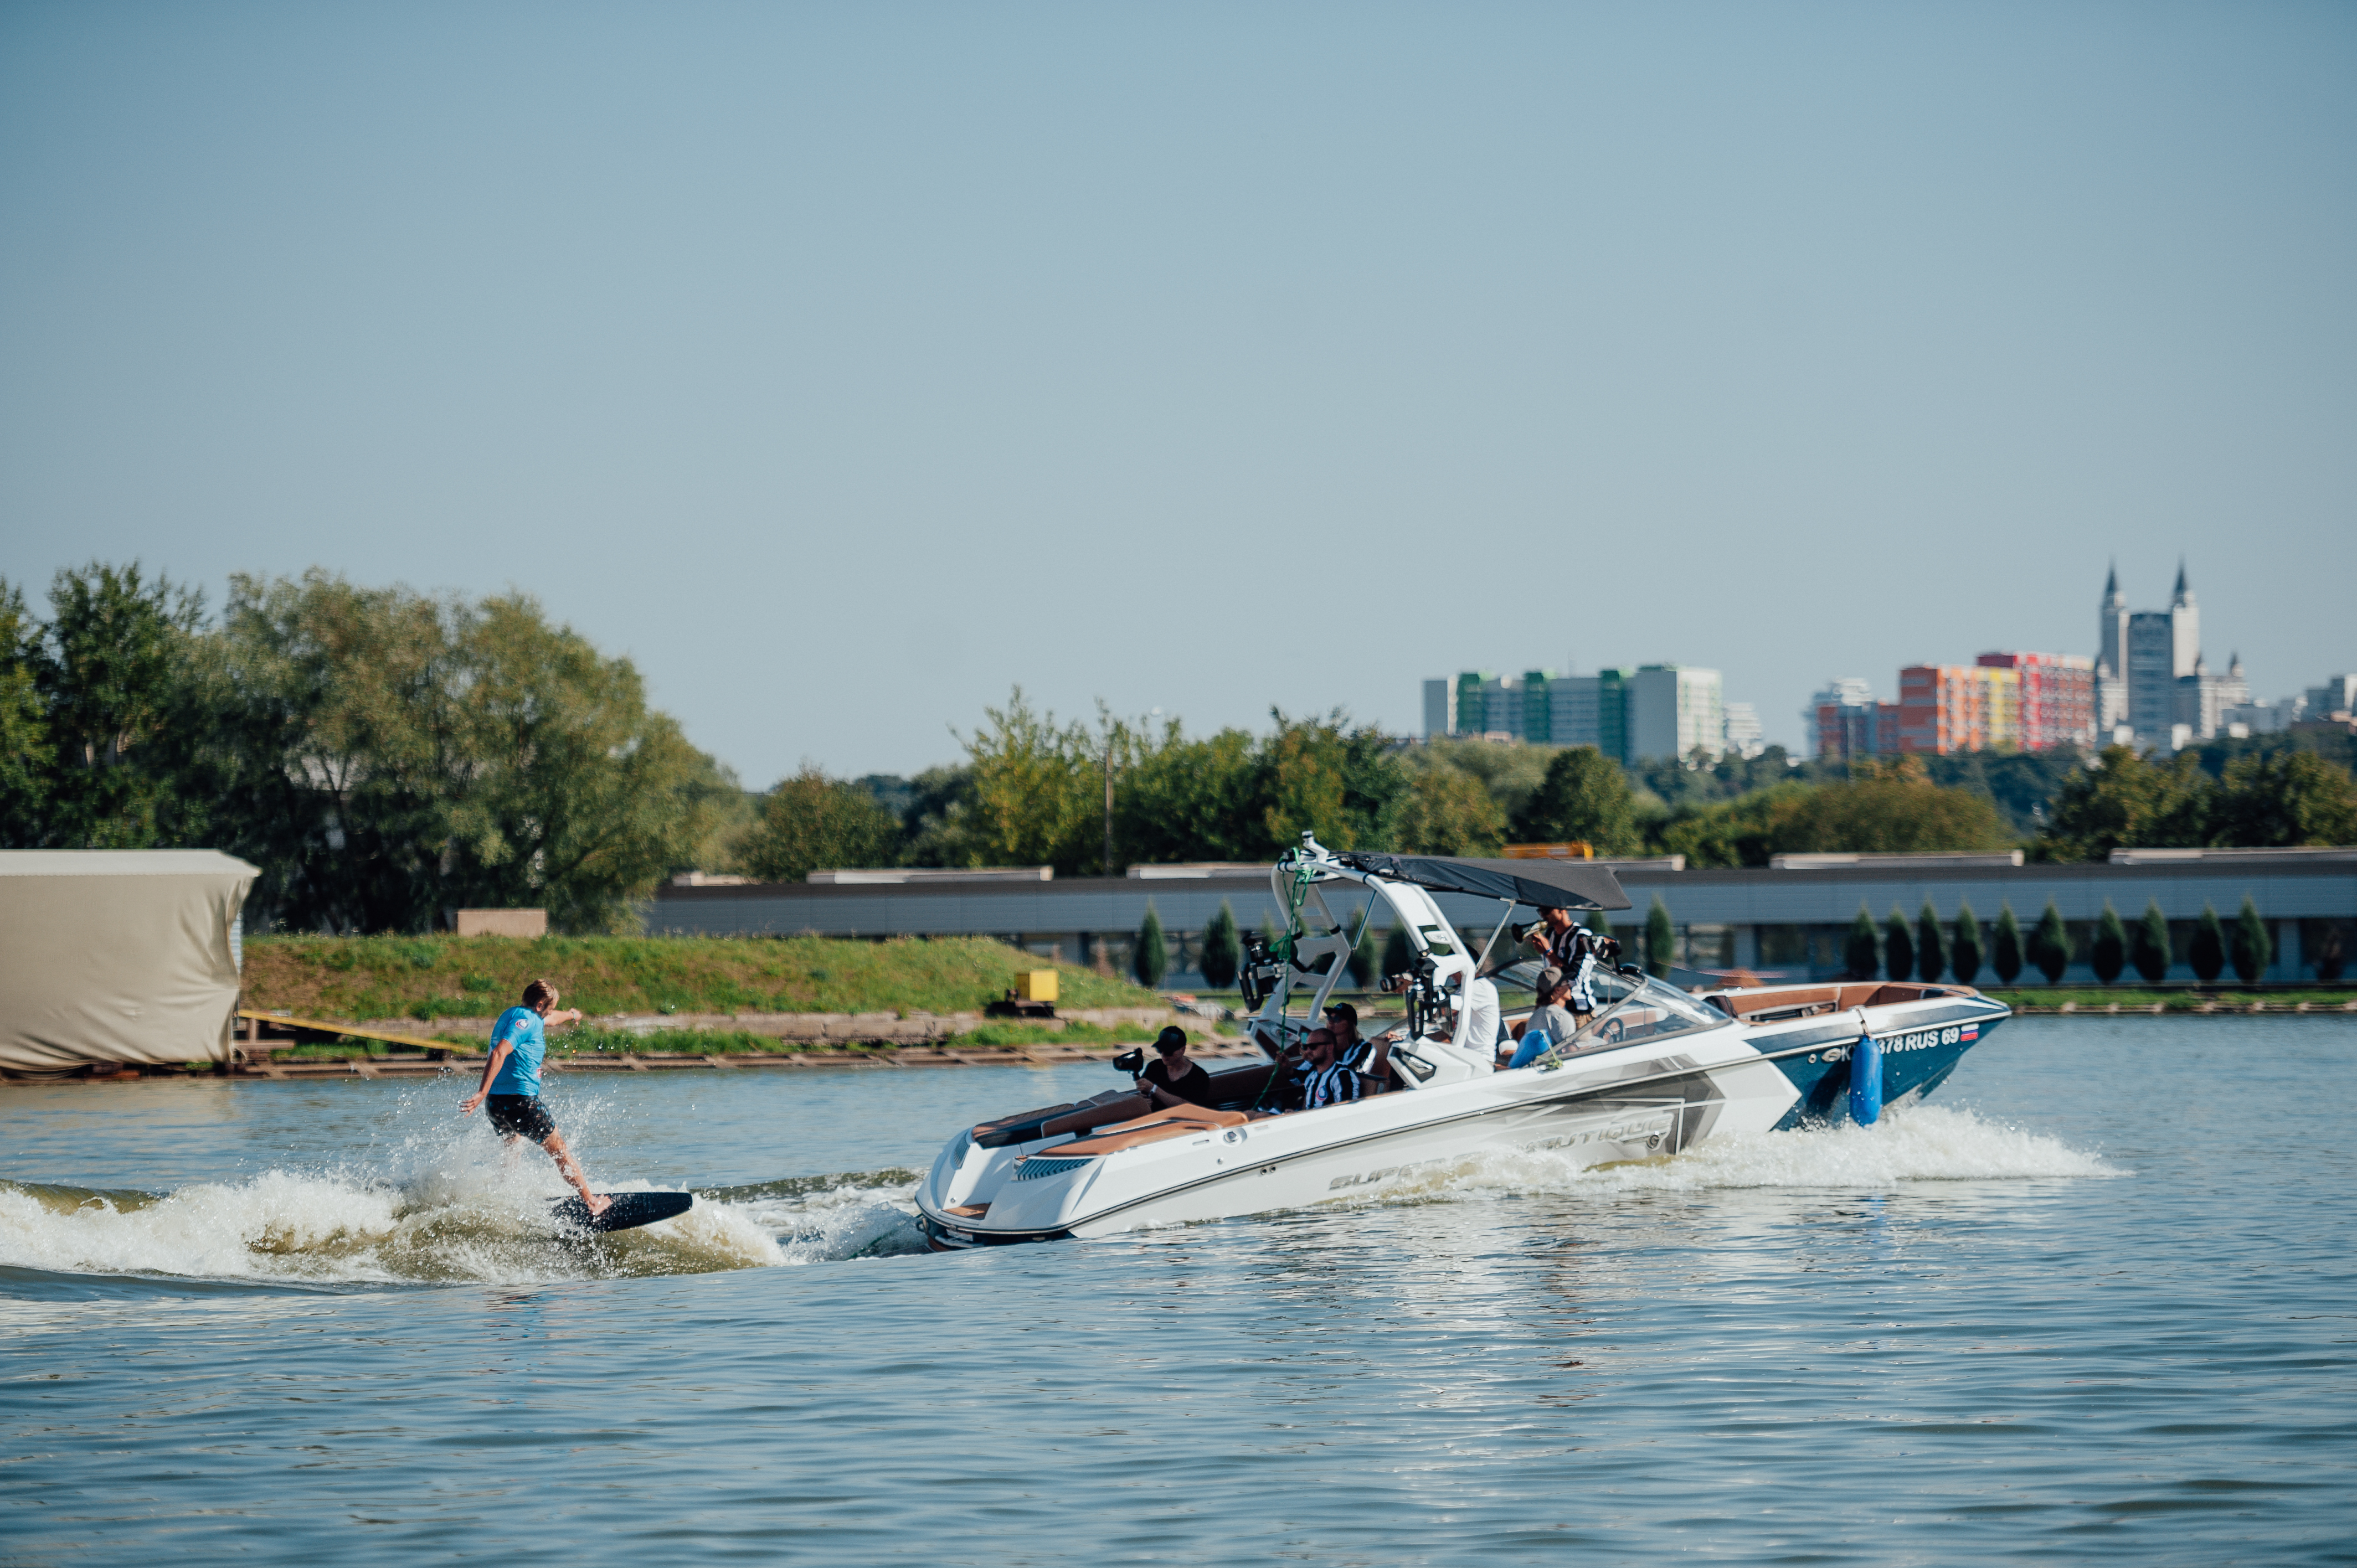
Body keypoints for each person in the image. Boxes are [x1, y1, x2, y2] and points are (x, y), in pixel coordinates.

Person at [459, 979, 609, 1216]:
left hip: (496, 1106)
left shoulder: (514, 1014)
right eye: (549, 1007)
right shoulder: (528, 1022)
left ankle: (504, 1196)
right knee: (559, 1148)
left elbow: (549, 1019)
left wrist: (571, 1015)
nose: (550, 1013)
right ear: (540, 1005)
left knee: (513, 1144)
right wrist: (481, 1091)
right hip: (520, 1103)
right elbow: (500, 1051)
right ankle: (592, 1202)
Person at [1527, 905, 1619, 1017]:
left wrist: (1549, 953)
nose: (1542, 915)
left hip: (1578, 1013)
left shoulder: (1582, 936)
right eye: (1540, 911)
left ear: (1562, 909)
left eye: (1546, 910)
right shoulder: (1549, 934)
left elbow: (1574, 979)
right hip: (1554, 1010)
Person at [1502, 968, 1581, 1070]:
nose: (1570, 986)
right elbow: (1570, 1052)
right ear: (1557, 990)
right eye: (1566, 983)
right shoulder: (1562, 1016)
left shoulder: (1536, 1015)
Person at [1136, 1027, 1218, 1109]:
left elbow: (1190, 1108)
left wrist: (1154, 1089)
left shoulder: (1199, 1076)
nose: (1163, 1054)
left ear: (1182, 1050)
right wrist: (1142, 1100)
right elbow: (1142, 1094)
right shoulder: (1154, 1067)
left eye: (1169, 1051)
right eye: (1160, 1049)